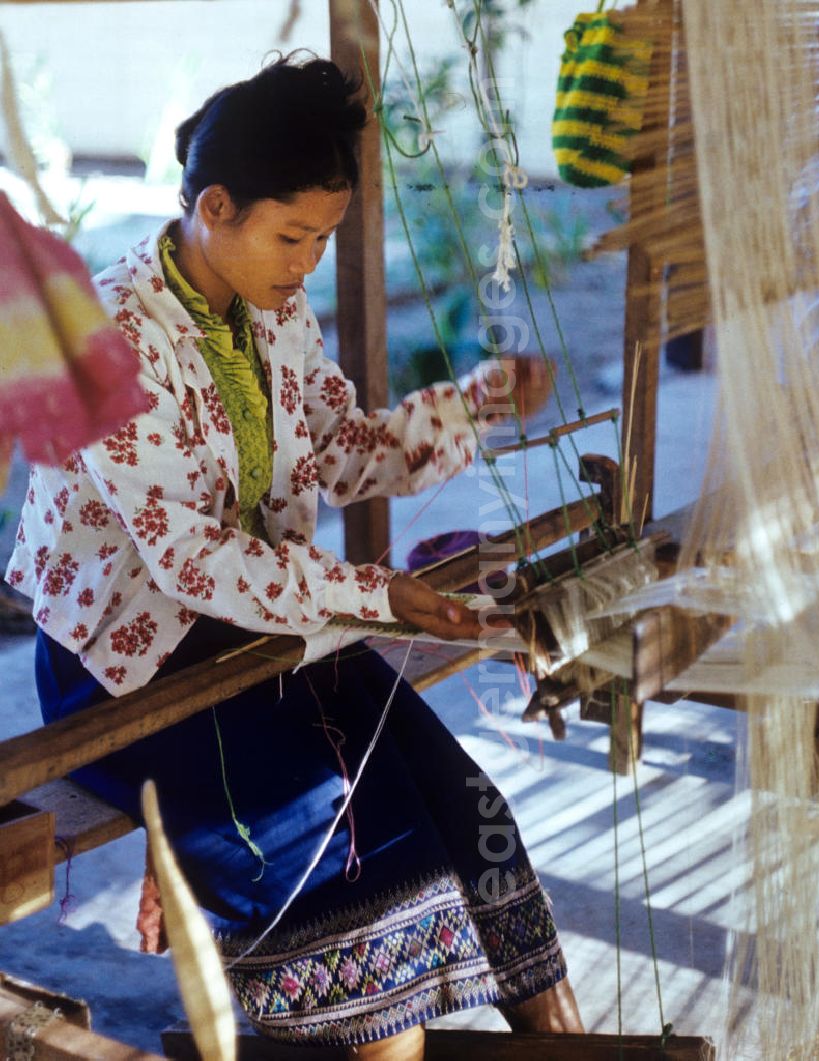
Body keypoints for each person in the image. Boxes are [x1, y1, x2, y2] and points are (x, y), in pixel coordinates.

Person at [4, 55, 583, 1057]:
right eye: (292, 235)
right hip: (127, 667)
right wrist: (377, 594)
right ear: (214, 207)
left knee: (463, 805)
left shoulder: (270, 309)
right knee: (360, 864)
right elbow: (194, 561)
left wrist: (477, 399)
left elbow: (345, 448)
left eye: (323, 238)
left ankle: (565, 1033)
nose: (308, 261)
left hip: (260, 628)